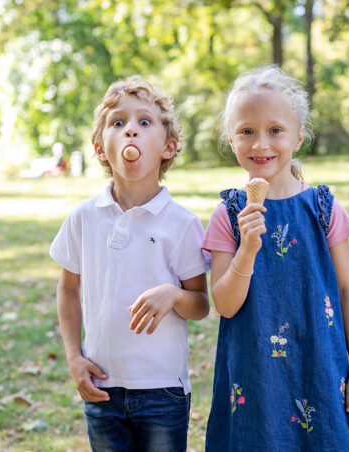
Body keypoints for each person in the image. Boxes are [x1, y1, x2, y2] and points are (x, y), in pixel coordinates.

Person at [203, 65, 349, 451]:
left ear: (298, 137)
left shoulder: (324, 208)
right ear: (232, 140)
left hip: (321, 365)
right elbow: (225, 305)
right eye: (247, 131)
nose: (261, 143)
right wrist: (246, 249)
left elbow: (347, 290)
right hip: (255, 373)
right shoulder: (228, 214)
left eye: (275, 130)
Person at [50, 75, 210, 452]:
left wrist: (173, 294)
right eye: (118, 123)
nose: (130, 132)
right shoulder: (83, 218)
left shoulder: (181, 223)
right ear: (100, 147)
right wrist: (74, 356)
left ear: (168, 147)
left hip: (162, 392)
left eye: (144, 122)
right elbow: (68, 288)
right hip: (102, 387)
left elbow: (201, 304)